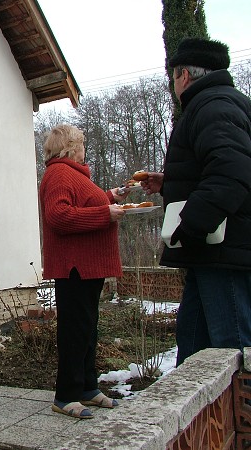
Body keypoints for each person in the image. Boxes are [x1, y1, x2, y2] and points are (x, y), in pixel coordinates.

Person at [142, 37, 251, 366]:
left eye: (174, 77)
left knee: (231, 352)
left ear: (183, 75)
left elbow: (231, 171)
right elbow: (215, 168)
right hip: (210, 254)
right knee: (193, 348)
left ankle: (238, 418)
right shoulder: (219, 103)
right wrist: (170, 183)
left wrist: (191, 224)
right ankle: (197, 418)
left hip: (222, 254)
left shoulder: (213, 106)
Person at [39, 124, 127, 419]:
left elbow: (81, 203)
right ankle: (66, 395)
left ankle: (87, 388)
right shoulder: (59, 174)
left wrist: (109, 197)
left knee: (87, 329)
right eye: (81, 143)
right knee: (75, 330)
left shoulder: (70, 174)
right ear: (70, 147)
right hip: (73, 266)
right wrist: (105, 213)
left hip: (86, 266)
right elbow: (58, 216)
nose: (84, 148)